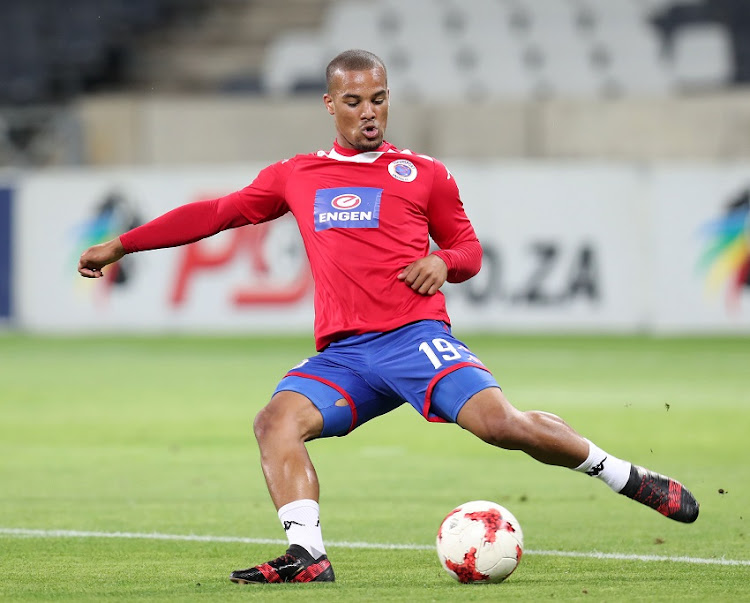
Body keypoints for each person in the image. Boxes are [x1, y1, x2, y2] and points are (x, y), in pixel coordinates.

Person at [78, 49, 699, 585]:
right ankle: (308, 555)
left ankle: (622, 474)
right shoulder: (297, 175)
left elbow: (469, 250)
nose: (368, 111)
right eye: (354, 101)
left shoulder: (424, 174)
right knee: (274, 422)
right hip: (345, 354)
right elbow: (218, 213)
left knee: (501, 426)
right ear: (330, 103)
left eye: (378, 99)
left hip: (413, 337)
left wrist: (444, 264)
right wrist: (124, 243)